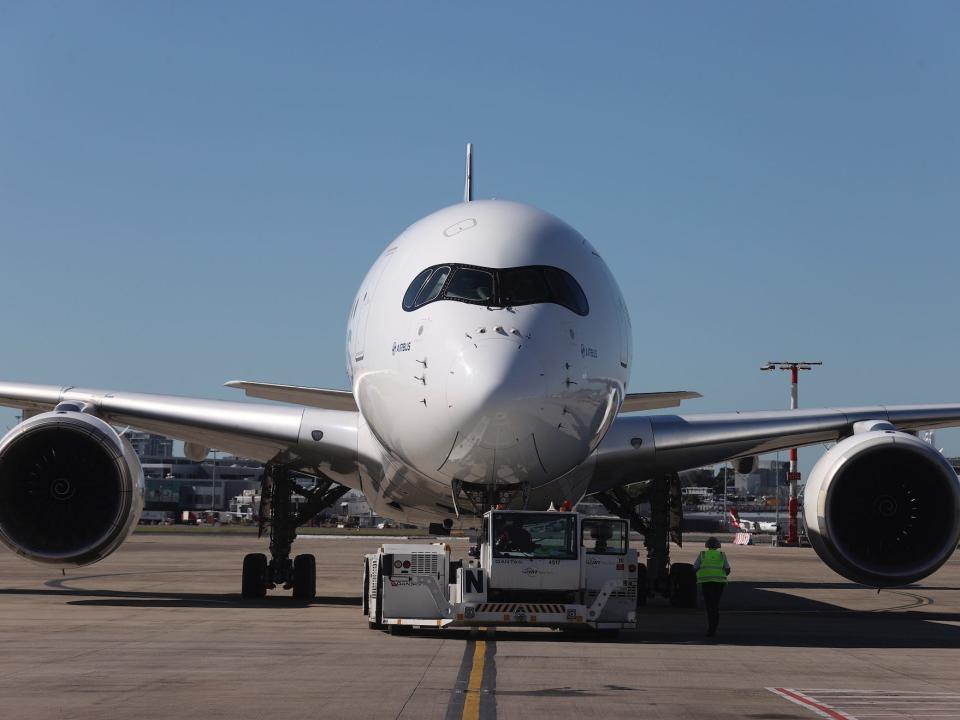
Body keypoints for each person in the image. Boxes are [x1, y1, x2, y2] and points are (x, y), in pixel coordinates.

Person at [693, 536, 731, 637]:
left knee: (709, 606)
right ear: (718, 545)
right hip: (719, 583)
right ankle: (713, 628)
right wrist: (720, 575)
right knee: (715, 606)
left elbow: (695, 567)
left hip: (706, 582)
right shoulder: (722, 555)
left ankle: (711, 629)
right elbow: (727, 569)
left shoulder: (703, 554)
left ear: (707, 545)